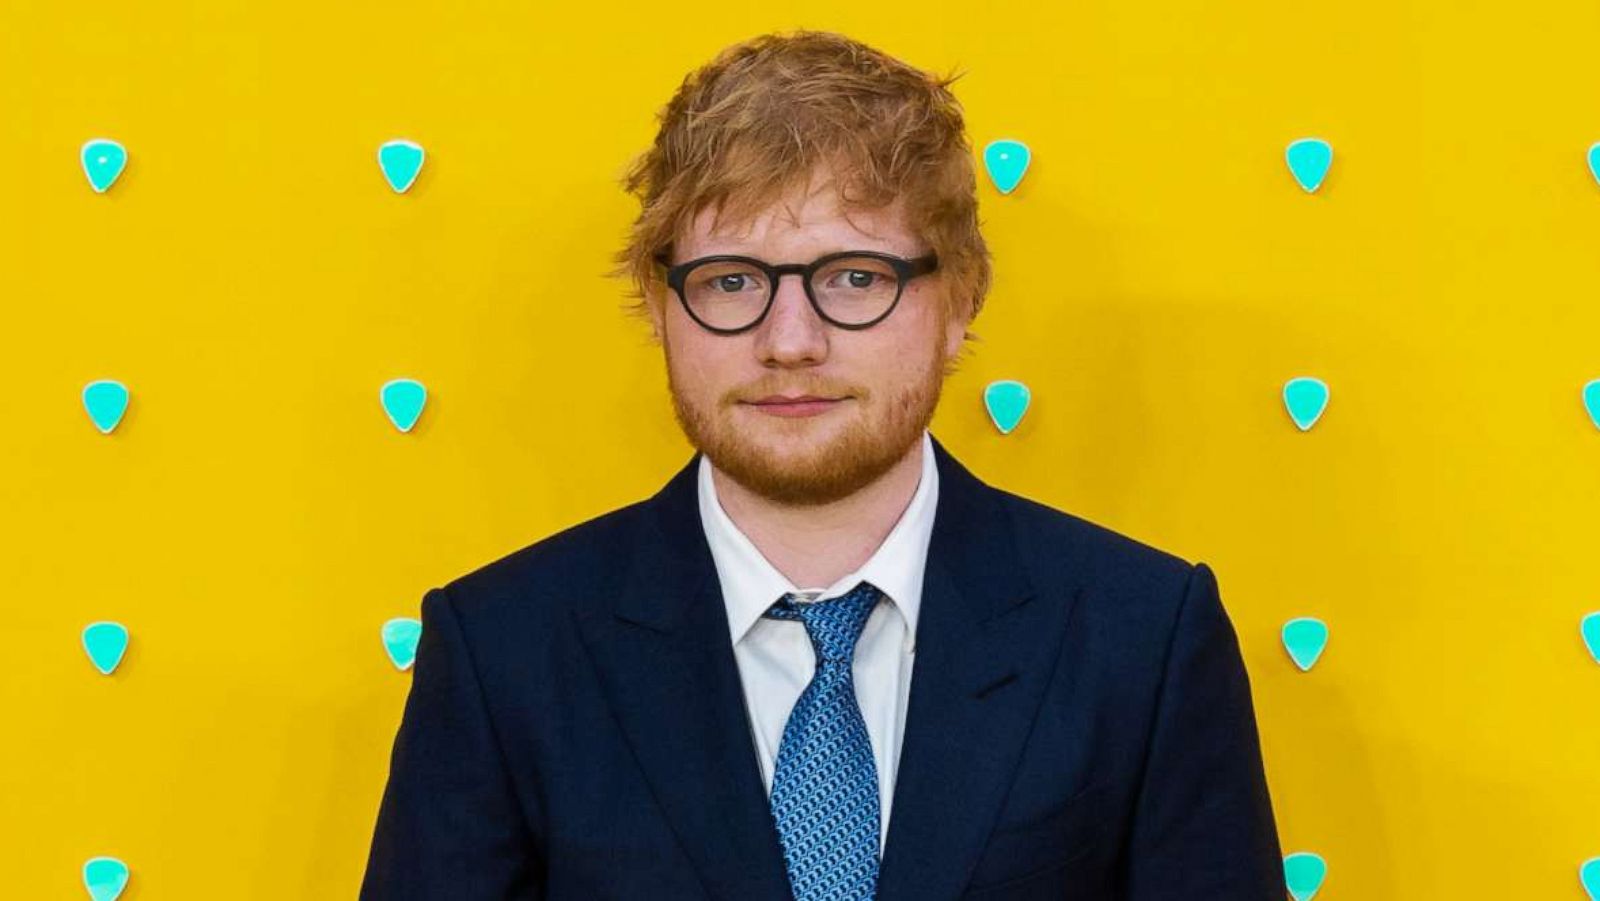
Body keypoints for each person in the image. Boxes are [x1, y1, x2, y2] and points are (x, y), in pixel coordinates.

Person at [359, 28, 1283, 901]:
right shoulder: (502, 652)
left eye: (852, 278)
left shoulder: (1144, 636)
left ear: (960, 298)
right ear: (660, 305)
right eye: (730, 281)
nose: (788, 341)